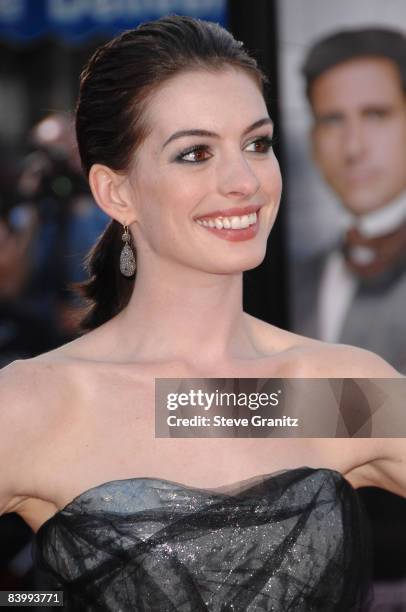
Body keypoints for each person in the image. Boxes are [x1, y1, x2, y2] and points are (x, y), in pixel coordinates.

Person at [0, 16, 404, 611]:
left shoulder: (323, 391)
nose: (244, 180)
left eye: (257, 144)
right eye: (195, 153)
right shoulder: (43, 403)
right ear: (117, 193)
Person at [292, 28, 406, 373]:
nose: (354, 147)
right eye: (332, 121)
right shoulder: (298, 278)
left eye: (375, 115)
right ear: (313, 141)